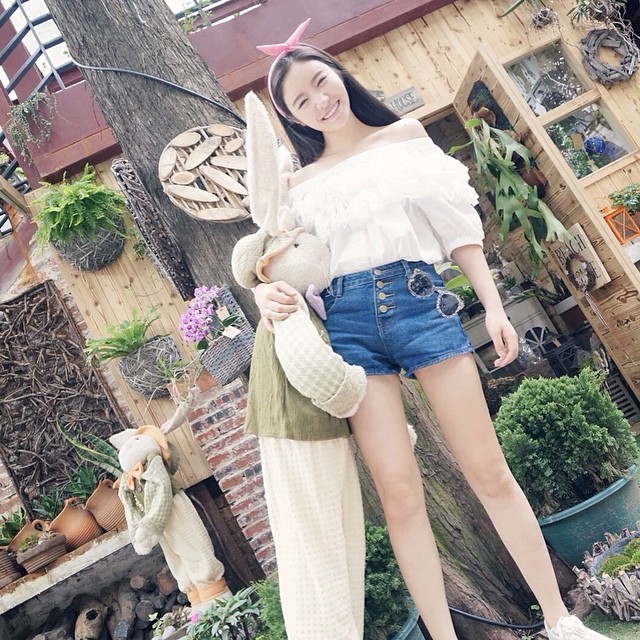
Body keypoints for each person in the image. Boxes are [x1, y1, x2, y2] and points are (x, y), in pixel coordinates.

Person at [251, 19, 612, 640]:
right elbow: (281, 263)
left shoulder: (404, 137)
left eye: (319, 82)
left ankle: (560, 621)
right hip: (348, 326)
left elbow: (456, 228)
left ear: (338, 73)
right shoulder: (296, 188)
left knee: (489, 470)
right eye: (300, 102)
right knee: (398, 496)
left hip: (421, 303)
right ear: (292, 118)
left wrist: (493, 305)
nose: (319, 101)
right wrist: (267, 291)